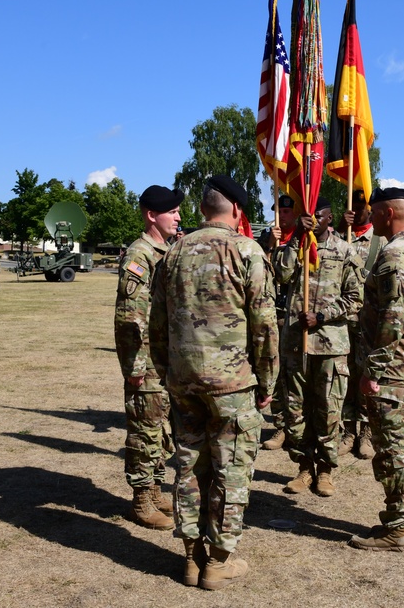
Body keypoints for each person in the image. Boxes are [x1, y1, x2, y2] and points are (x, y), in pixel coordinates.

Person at [150, 174, 278, 590]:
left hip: (183, 382)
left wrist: (170, 371)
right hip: (232, 384)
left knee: (188, 466)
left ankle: (191, 558)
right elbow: (264, 326)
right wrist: (267, 381)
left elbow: (156, 325)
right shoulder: (247, 251)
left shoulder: (172, 253)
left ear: (203, 209)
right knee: (231, 470)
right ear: (237, 211)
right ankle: (218, 562)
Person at [348, 187, 404, 553]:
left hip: (394, 370)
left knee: (395, 449)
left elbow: (391, 318)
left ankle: (397, 528)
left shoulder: (394, 255)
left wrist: (374, 369)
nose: (371, 217)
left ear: (386, 213)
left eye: (374, 212)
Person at [275, 197, 362, 497]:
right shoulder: (297, 246)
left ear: (330, 217)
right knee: (296, 410)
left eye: (319, 216)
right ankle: (303, 467)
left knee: (328, 410)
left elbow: (355, 297)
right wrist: (295, 239)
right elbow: (281, 276)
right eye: (307, 216)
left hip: (330, 344)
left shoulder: (345, 251)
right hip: (296, 344)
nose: (313, 221)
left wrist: (322, 315)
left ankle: (325, 470)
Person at [115, 185, 184, 531]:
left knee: (160, 431)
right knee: (144, 430)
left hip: (165, 359)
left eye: (177, 211)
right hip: (147, 362)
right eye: (171, 211)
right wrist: (134, 366)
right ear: (150, 215)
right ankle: (141, 500)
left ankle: (155, 489)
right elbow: (130, 316)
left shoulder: (166, 250)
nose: (178, 216)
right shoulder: (140, 255)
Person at [338, 189, 385, 460]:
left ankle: (366, 431)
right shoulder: (338, 237)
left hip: (368, 321)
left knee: (367, 375)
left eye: (362, 205)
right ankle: (348, 430)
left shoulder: (380, 242)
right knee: (346, 376)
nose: (356, 210)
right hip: (343, 321)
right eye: (352, 205)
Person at [258, 194, 298, 451]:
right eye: (277, 211)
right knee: (275, 373)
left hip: (295, 315)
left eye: (286, 212)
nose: (281, 216)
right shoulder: (265, 238)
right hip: (270, 313)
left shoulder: (303, 238)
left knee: (296, 375)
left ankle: (298, 425)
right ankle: (281, 426)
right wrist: (269, 246)